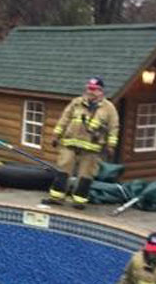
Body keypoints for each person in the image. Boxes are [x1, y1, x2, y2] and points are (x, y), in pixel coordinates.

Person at [42, 77, 120, 210]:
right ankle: (56, 197)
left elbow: (114, 128)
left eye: (94, 89)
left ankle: (79, 201)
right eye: (89, 88)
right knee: (63, 170)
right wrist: (56, 135)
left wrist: (111, 145)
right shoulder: (76, 103)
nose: (90, 91)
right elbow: (64, 119)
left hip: (92, 149)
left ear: (101, 91)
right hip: (69, 144)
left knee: (86, 175)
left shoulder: (109, 108)